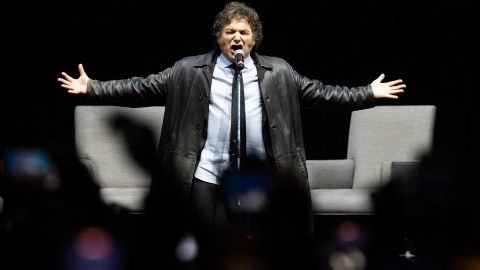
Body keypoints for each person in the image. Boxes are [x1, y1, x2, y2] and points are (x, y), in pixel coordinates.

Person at [57, 2, 405, 231]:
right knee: (205, 249)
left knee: (268, 251)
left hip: (264, 177)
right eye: (230, 32)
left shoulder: (279, 72)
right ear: (219, 37)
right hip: (207, 177)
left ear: (254, 40)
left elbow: (325, 94)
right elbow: (139, 88)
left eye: (244, 32)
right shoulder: (186, 70)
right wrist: (93, 88)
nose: (237, 37)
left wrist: (367, 93)